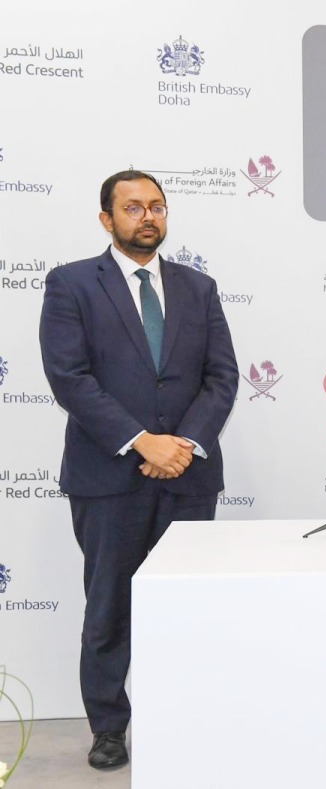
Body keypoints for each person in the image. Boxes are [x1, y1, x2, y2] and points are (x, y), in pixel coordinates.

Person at [39, 170, 238, 770]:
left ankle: (181, 716)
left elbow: (222, 376)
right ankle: (108, 727)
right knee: (109, 609)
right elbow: (69, 377)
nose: (147, 216)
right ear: (107, 219)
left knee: (186, 607)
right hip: (108, 477)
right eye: (132, 207)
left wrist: (184, 444)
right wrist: (141, 441)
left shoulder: (198, 288)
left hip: (189, 476)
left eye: (157, 206)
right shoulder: (72, 283)